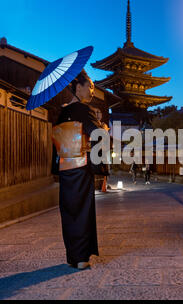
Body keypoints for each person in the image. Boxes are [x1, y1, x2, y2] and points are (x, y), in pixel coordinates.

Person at [51, 70, 109, 270]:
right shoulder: (85, 110)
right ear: (78, 87)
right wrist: (104, 128)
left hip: (65, 167)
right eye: (90, 87)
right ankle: (82, 258)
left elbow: (56, 143)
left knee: (69, 210)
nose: (92, 91)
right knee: (83, 210)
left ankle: (73, 256)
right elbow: (98, 134)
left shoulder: (62, 112)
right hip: (81, 166)